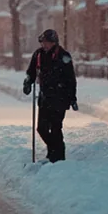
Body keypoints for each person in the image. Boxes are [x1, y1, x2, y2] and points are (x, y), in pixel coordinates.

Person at [23, 29, 78, 163]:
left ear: (54, 42)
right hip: (45, 98)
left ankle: (58, 156)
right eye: (43, 42)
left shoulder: (63, 56)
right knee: (41, 128)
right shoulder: (38, 54)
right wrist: (28, 82)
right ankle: (54, 150)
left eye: (47, 42)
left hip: (60, 98)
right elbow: (31, 71)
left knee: (55, 128)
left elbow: (70, 79)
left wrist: (72, 98)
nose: (44, 45)